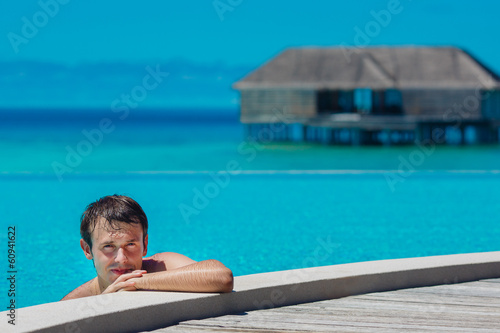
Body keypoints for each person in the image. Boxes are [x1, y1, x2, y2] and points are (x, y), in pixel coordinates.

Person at [61, 195, 233, 300]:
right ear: (87, 250)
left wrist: (137, 282)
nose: (121, 258)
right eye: (108, 246)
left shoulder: (161, 266)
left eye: (130, 244)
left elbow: (222, 277)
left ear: (144, 245)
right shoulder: (76, 303)